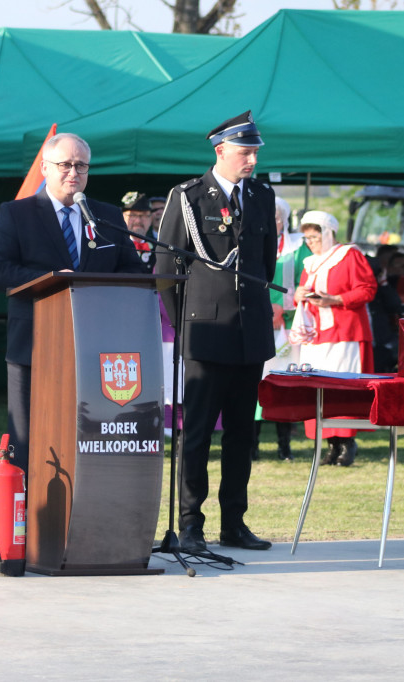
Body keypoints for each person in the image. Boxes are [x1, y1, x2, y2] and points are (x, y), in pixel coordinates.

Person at [155, 111, 277, 553]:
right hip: (205, 334)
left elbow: (265, 262)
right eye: (244, 153)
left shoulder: (261, 195)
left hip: (250, 334)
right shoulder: (189, 197)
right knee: (199, 432)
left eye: (255, 154)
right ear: (220, 150)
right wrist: (186, 325)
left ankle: (234, 522)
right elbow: (166, 271)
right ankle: (191, 524)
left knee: (243, 433)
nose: (251, 162)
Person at [0, 132, 142, 475]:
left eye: (81, 165)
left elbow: (132, 270)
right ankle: (29, 521)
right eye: (65, 165)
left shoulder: (106, 216)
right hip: (35, 348)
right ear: (45, 168)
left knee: (87, 440)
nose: (74, 172)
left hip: (95, 351)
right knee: (28, 444)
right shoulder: (17, 214)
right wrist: (53, 277)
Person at [292, 210, 376, 467]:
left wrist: (335, 300)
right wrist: (300, 294)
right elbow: (299, 297)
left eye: (315, 236)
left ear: (328, 233)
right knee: (320, 391)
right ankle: (330, 443)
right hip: (316, 335)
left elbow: (368, 289)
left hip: (344, 332)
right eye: (306, 238)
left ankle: (347, 442)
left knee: (344, 389)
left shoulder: (349, 255)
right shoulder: (310, 262)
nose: (310, 242)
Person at [253, 196, 304, 461]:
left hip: (286, 326)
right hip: (255, 323)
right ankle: (252, 446)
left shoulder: (298, 247)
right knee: (255, 382)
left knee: (285, 383)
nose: (272, 221)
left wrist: (283, 308)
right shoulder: (249, 243)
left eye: (276, 216)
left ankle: (285, 446)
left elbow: (306, 280)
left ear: (284, 219)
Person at [121, 191, 156, 273]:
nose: (138, 220)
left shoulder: (159, 248)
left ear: (150, 219)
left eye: (144, 215)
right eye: (132, 215)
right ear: (122, 217)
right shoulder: (114, 246)